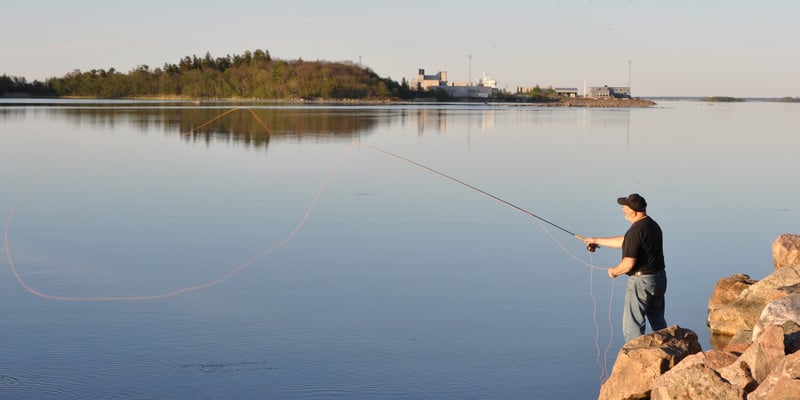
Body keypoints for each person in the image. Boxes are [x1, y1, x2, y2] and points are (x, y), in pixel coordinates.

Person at [581, 193, 667, 342]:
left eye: (624, 208)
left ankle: (636, 358)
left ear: (633, 212)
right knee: (658, 322)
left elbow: (628, 264)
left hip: (641, 282)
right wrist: (596, 240)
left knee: (632, 327)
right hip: (659, 279)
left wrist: (614, 272)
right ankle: (669, 348)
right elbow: (624, 241)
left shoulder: (635, 231)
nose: (622, 211)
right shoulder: (652, 225)